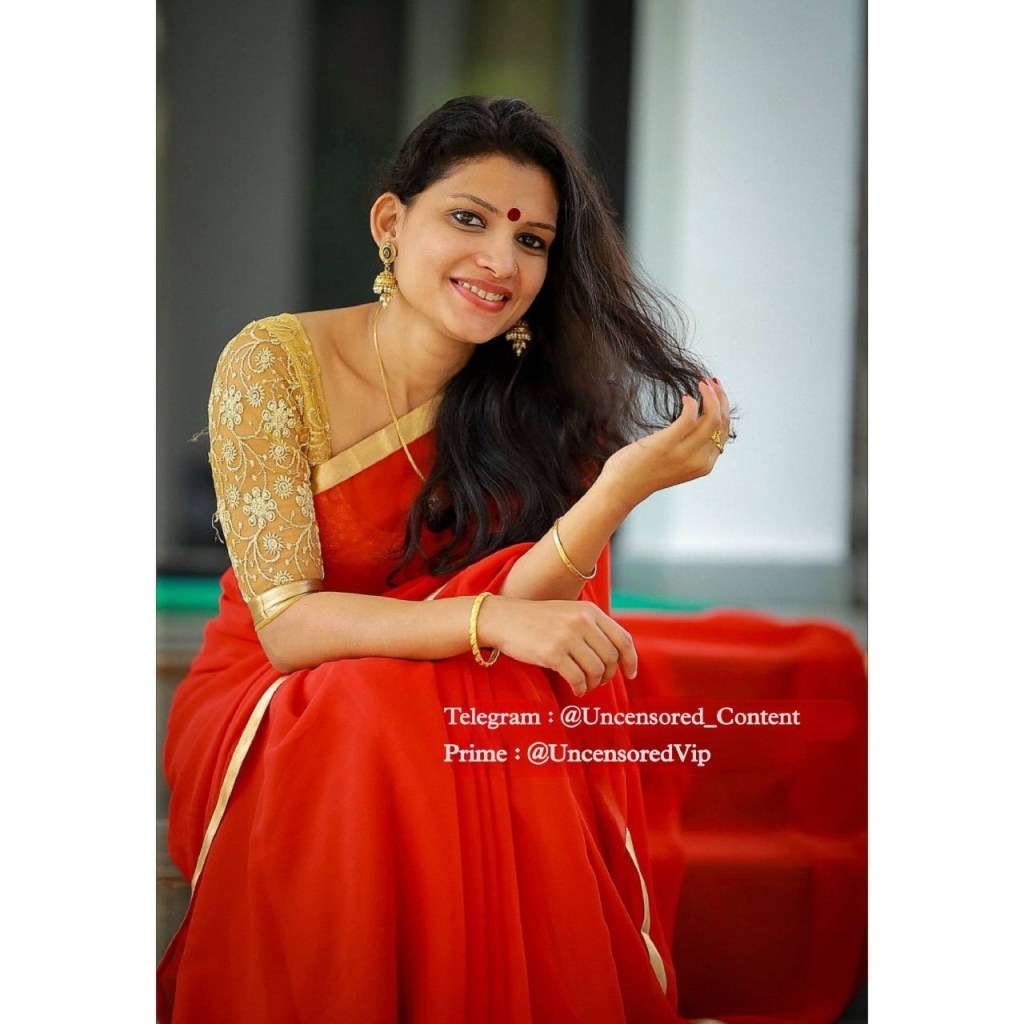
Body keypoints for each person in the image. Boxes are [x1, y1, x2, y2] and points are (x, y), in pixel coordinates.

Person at [158, 95, 733, 1024]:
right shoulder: (274, 365)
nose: (500, 261)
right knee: (374, 705)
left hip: (444, 683)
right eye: (468, 219)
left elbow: (532, 614)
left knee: (468, 696)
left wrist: (616, 491)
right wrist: (487, 619)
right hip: (273, 688)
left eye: (533, 240)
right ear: (391, 222)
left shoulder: (544, 403)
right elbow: (290, 626)